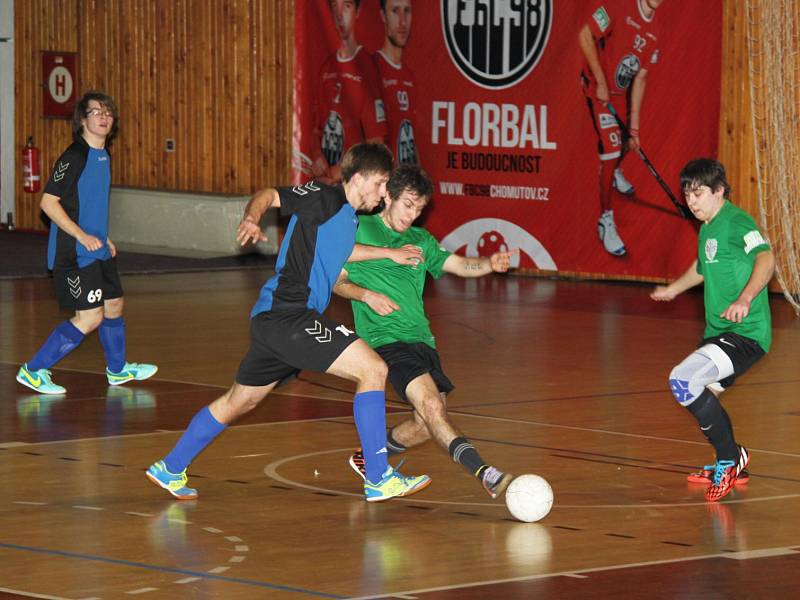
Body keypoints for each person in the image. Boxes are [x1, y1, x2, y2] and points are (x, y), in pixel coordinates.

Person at [146, 143, 430, 503]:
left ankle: (169, 468)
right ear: (358, 178)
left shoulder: (346, 217)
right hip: (290, 314)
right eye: (381, 183)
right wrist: (252, 217)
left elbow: (340, 250)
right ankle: (378, 477)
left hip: (276, 322)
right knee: (373, 369)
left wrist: (389, 253)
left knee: (240, 401)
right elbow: (269, 195)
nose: (383, 192)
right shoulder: (324, 199)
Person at [334, 165, 515, 499]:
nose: (412, 215)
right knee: (432, 409)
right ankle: (485, 473)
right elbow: (337, 281)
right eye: (408, 205)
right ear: (387, 195)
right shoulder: (360, 229)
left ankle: (372, 456)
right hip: (387, 340)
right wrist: (366, 295)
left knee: (426, 421)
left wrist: (489, 264)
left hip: (422, 341)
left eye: (419, 209)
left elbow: (458, 264)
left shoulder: (421, 240)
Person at [16, 91, 157, 395]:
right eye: (96, 112)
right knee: (90, 317)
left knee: (114, 304)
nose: (104, 117)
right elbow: (49, 203)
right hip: (75, 251)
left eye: (108, 113)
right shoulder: (74, 156)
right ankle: (34, 370)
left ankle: (117, 371)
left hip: (96, 247)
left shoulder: (104, 154)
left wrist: (103, 236)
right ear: (82, 119)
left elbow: (87, 202)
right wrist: (82, 236)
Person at [651, 158, 774, 502]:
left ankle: (728, 460)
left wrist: (746, 298)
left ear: (719, 191)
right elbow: (702, 267)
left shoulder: (737, 222)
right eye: (688, 193)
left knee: (682, 380)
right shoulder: (707, 227)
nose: (692, 200)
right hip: (718, 333)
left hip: (746, 332)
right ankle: (734, 456)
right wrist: (674, 289)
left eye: (699, 193)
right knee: (703, 398)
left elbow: (766, 258)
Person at [578, 0, 665, 256]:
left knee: (627, 141)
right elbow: (585, 35)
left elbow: (641, 78)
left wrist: (635, 129)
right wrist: (601, 81)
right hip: (598, 87)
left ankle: (615, 170)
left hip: (621, 93)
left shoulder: (656, 28)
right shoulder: (618, 6)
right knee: (612, 150)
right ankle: (605, 218)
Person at [312, 0, 388, 184]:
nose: (339, 15)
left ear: (357, 11)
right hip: (324, 183)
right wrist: (316, 156)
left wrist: (339, 172)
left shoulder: (367, 67)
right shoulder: (326, 67)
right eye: (334, 7)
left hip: (351, 185)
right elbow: (316, 128)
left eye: (346, 6)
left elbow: (376, 145)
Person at [375, 0, 419, 165]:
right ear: (383, 15)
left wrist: (419, 185)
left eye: (407, 11)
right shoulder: (373, 68)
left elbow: (412, 142)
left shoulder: (409, 76)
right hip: (385, 185)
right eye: (395, 11)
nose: (402, 21)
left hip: (407, 185)